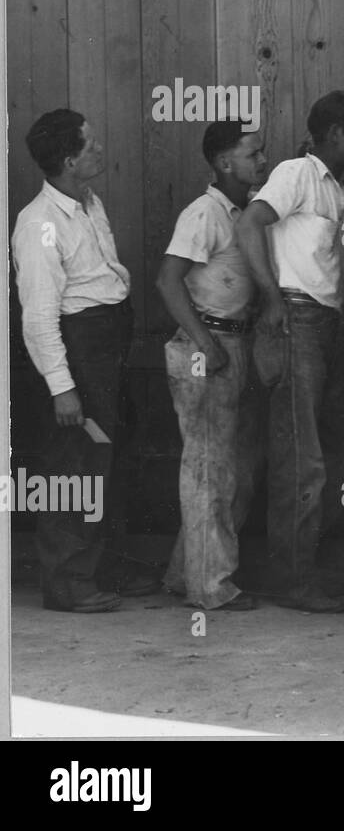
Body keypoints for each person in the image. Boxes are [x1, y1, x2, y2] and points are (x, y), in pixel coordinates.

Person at [236, 91, 344, 613]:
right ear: (334, 132)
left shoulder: (336, 191)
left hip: (326, 324)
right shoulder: (297, 173)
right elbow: (249, 225)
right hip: (295, 319)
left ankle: (297, 566)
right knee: (302, 457)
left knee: (328, 453)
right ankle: (291, 578)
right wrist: (271, 300)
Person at [12, 111, 154, 612]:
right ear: (70, 160)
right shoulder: (39, 225)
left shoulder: (88, 203)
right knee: (75, 464)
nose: (99, 149)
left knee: (112, 457)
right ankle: (68, 580)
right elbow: (38, 317)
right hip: (79, 351)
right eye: (90, 145)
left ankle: (105, 567)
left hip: (108, 342)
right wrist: (62, 386)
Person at [156, 122, 268, 612]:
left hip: (233, 342)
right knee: (208, 469)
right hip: (207, 345)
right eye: (253, 155)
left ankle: (187, 574)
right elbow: (167, 280)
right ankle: (210, 586)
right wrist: (204, 341)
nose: (261, 162)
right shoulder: (204, 213)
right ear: (225, 164)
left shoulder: (242, 212)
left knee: (229, 468)